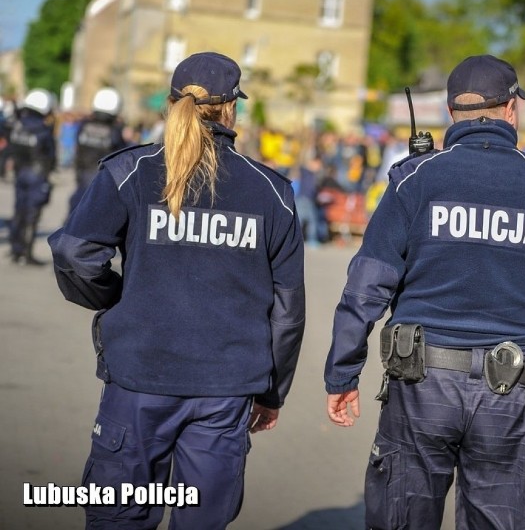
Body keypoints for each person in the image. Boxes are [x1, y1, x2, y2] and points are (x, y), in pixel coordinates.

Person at [324, 54, 525, 530]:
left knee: (402, 518)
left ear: (450, 111)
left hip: (421, 386)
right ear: (512, 109)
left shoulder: (414, 178)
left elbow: (364, 287)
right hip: (511, 390)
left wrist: (342, 372)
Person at [47, 52, 306, 529]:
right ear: (231, 109)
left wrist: (112, 297)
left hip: (140, 380)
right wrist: (272, 393)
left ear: (171, 103)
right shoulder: (272, 191)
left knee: (119, 519)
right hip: (225, 391)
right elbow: (288, 310)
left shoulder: (132, 170)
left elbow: (73, 252)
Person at [6, 88, 57, 266]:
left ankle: (15, 249)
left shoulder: (18, 124)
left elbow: (11, 148)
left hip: (20, 173)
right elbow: (50, 155)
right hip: (37, 176)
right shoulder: (43, 129)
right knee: (32, 214)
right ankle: (27, 253)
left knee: (19, 211)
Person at [67, 87, 129, 215]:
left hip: (82, 176)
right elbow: (123, 156)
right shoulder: (115, 131)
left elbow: (78, 149)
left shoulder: (84, 126)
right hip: (102, 182)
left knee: (74, 214)